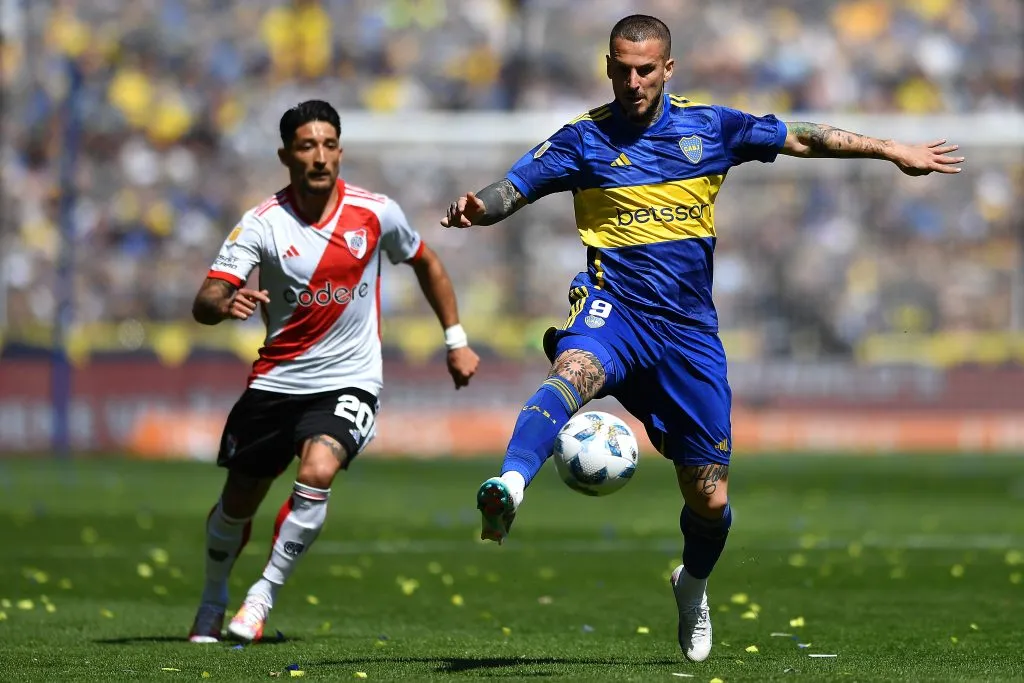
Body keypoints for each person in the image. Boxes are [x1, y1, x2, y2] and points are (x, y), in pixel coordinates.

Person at [441, 14, 963, 663]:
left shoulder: (709, 128)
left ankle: (692, 583)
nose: (634, 81)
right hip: (616, 310)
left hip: (688, 334)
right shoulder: (582, 140)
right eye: (622, 69)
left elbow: (800, 137)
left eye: (646, 70)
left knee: (710, 500)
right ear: (608, 68)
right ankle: (511, 485)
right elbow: (512, 188)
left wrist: (892, 149)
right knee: (573, 369)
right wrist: (477, 207)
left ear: (668, 69)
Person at [188, 100, 480, 643]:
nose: (320, 157)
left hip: (350, 380)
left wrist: (455, 339)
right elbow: (205, 299)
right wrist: (222, 304)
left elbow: (427, 262)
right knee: (238, 503)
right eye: (307, 146)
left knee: (319, 471)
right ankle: (212, 599)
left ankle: (262, 596)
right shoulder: (262, 223)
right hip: (276, 382)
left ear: (340, 152)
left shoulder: (376, 212)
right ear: (286, 156)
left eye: (328, 145)